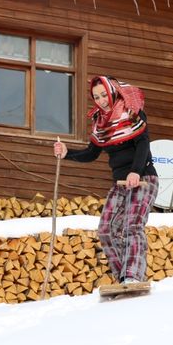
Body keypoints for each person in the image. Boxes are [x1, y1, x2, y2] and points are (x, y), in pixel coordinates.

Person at [53, 75, 159, 286]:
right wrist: (67, 153)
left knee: (132, 226)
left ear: (112, 92)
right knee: (106, 230)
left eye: (104, 95)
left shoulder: (131, 110)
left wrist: (136, 172)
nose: (101, 100)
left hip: (143, 178)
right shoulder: (100, 123)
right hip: (120, 184)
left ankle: (133, 276)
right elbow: (91, 153)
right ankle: (123, 278)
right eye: (96, 97)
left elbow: (143, 143)